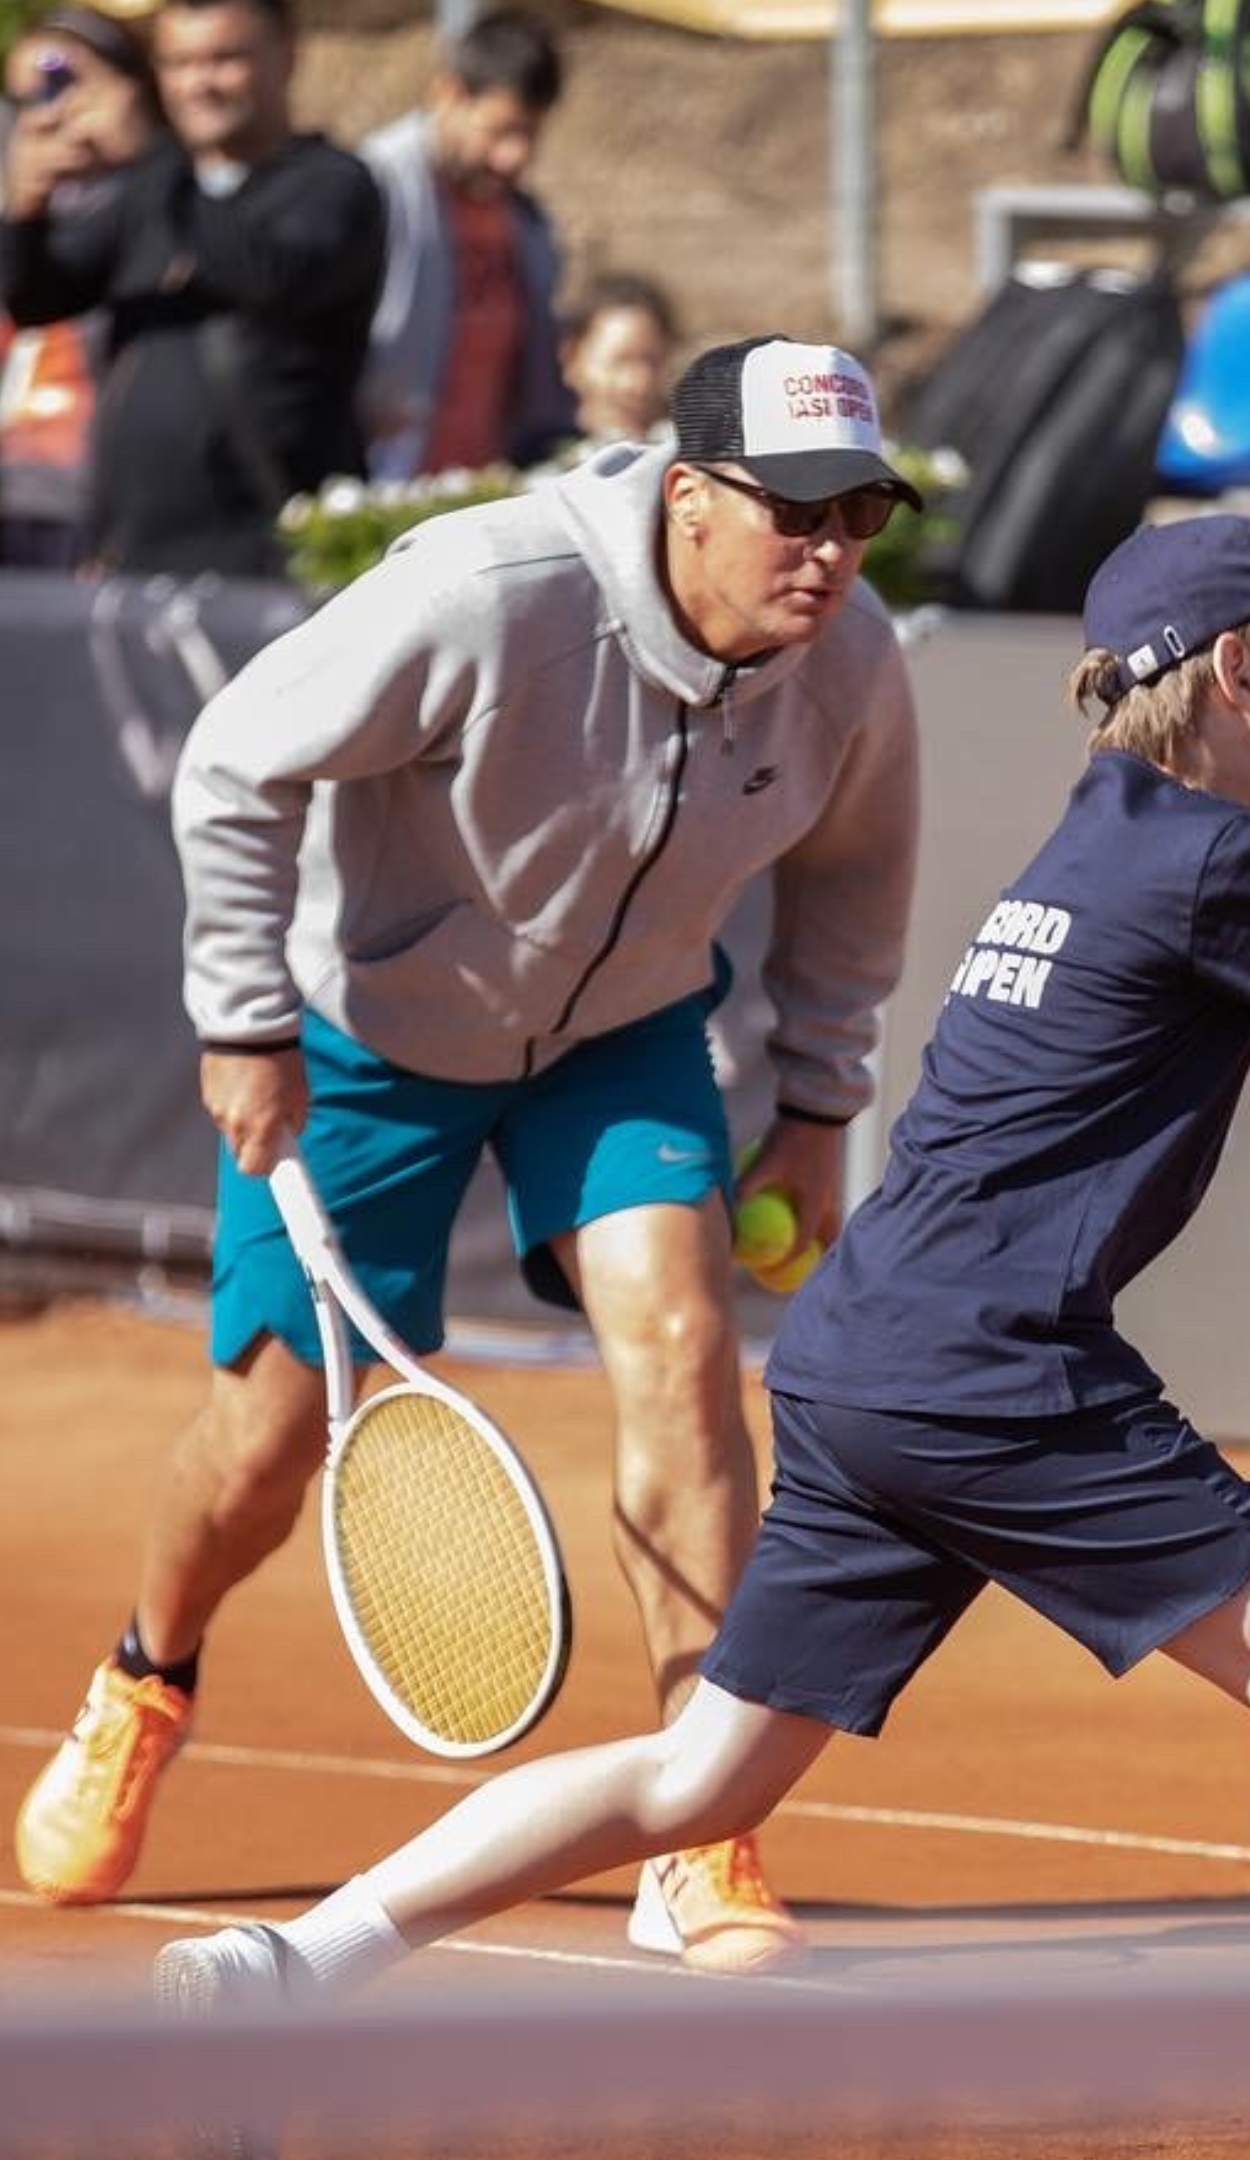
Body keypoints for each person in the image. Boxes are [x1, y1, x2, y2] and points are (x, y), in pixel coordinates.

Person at [145, 510, 1250, 2159]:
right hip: (997, 1362)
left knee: (701, 1782)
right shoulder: (1218, 859)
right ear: (1229, 674)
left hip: (859, 1362)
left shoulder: (1117, 825)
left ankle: (289, 1965)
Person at [14, 332, 925, 1980]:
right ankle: (148, 1675)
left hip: (624, 1036)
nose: (832, 552)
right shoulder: (492, 589)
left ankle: (699, 1826)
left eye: (860, 512)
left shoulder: (851, 664)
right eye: (796, 513)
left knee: (684, 1340)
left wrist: (815, 1107)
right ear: (694, 494)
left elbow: (855, 885)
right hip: (367, 1038)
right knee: (268, 1442)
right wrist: (244, 1023)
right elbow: (234, 760)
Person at [0, 0, 384, 578]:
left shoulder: (333, 184)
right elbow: (37, 299)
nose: (198, 84)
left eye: (223, 59)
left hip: (270, 560)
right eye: (178, 65)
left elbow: (266, 273)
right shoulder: (157, 193)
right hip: (134, 555)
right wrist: (25, 207)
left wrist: (152, 153)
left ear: (288, 55)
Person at [359, 5, 575, 482]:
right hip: (385, 490)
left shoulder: (524, 222)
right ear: (448, 95)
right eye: (499, 132)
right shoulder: (374, 190)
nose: (513, 156)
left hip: (484, 491)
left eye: (529, 135)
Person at [0, 3, 165, 567]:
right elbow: (27, 300)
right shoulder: (20, 199)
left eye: (68, 85)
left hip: (93, 495)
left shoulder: (159, 198)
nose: (53, 114)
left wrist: (138, 155)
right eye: (27, 99)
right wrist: (24, 204)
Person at [558, 267, 678, 448]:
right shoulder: (535, 461)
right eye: (620, 362)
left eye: (652, 361)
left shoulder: (685, 455)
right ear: (572, 359)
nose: (638, 384)